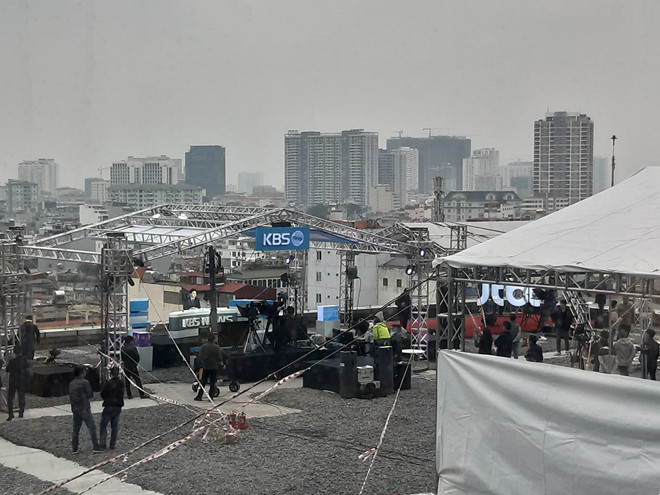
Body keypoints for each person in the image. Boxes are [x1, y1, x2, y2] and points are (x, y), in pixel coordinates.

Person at [68, 366, 102, 453]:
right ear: (82, 373)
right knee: (91, 428)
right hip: (84, 408)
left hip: (75, 409)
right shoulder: (85, 382)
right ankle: (95, 446)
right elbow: (90, 394)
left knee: (76, 429)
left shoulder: (71, 383)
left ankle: (74, 448)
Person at [194, 333, 225, 401]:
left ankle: (199, 396)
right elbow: (219, 358)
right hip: (214, 367)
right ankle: (211, 397)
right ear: (214, 339)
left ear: (207, 339)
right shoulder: (217, 347)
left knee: (203, 382)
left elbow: (200, 357)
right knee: (212, 383)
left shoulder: (203, 347)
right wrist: (222, 365)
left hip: (206, 367)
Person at [99, 367, 124, 449]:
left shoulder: (108, 384)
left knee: (103, 425)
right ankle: (112, 444)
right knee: (115, 426)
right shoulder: (121, 383)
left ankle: (102, 444)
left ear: (111, 374)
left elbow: (102, 394)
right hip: (117, 406)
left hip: (109, 405)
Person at [6, 344, 28, 421]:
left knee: (10, 397)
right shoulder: (24, 360)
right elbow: (27, 367)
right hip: (21, 380)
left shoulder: (12, 361)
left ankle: (11, 413)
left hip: (13, 380)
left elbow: (7, 369)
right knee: (21, 396)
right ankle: (21, 412)